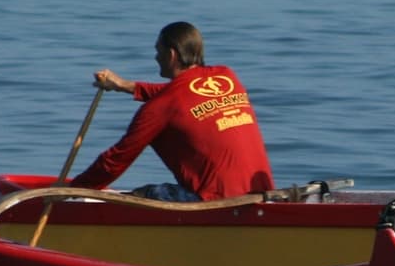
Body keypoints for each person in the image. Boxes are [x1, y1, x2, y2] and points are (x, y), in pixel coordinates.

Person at [70, 21, 274, 200]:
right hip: (261, 194)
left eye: (158, 51)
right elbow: (183, 96)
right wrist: (125, 85)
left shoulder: (158, 109)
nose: (155, 58)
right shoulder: (226, 76)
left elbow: (115, 161)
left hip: (216, 203)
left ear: (171, 54)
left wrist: (70, 190)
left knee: (148, 194)